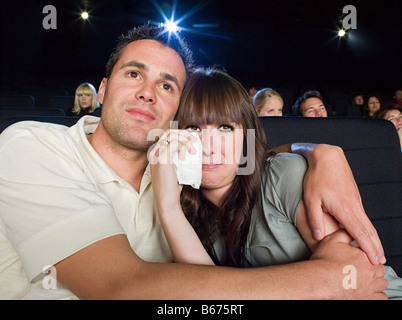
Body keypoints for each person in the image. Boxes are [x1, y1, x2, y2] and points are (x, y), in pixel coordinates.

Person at [0, 24, 386, 300]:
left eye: (166, 85)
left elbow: (247, 159)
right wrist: (322, 283)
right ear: (102, 90)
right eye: (134, 73)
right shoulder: (33, 144)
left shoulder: (183, 182)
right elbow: (120, 287)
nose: (148, 93)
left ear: (174, 111)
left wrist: (317, 151)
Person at [149, 67, 401, 298]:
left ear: (246, 137)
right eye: (192, 129)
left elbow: (351, 279)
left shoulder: (284, 173)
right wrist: (168, 206)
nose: (208, 148)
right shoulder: (185, 207)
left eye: (225, 128)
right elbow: (209, 294)